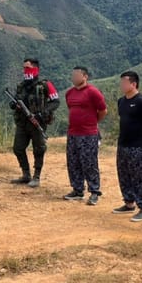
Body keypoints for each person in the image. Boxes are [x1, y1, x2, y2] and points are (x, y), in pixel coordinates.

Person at [113, 71, 142, 222]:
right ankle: (129, 202)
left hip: (138, 145)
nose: (122, 85)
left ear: (133, 84)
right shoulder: (121, 101)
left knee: (139, 176)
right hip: (123, 144)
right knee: (124, 173)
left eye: (125, 83)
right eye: (121, 83)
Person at [9, 58, 59, 188]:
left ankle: (36, 176)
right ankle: (26, 174)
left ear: (36, 69)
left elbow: (55, 101)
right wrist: (14, 105)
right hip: (22, 122)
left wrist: (44, 113)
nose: (26, 71)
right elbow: (17, 100)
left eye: (28, 68)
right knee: (18, 148)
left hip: (38, 122)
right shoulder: (21, 86)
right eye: (24, 68)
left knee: (39, 149)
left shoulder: (45, 85)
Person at [63, 66, 107, 205]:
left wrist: (92, 123)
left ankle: (94, 192)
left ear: (85, 76)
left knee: (89, 163)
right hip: (72, 133)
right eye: (73, 75)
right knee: (73, 162)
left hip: (88, 134)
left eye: (77, 75)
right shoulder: (69, 93)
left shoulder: (93, 92)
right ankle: (77, 190)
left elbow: (103, 111)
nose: (74, 77)